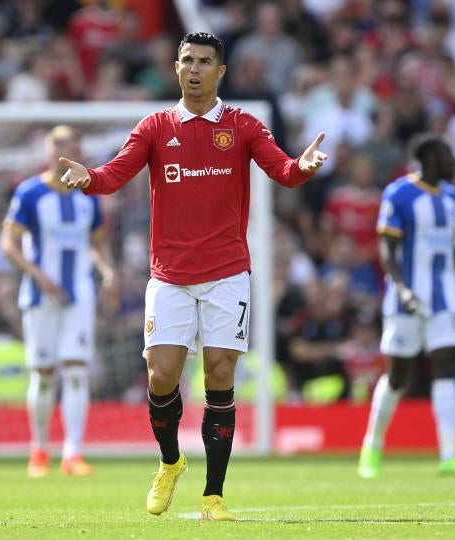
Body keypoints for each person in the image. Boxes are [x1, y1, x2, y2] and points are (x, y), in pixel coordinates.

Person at [58, 32, 327, 520]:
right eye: (187, 60)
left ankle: (214, 496)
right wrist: (89, 179)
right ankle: (170, 461)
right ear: (176, 67)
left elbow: (283, 171)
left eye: (205, 61)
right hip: (170, 276)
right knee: (161, 377)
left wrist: (303, 168)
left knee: (219, 374)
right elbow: (116, 173)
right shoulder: (156, 127)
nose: (195, 68)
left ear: (220, 71)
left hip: (226, 274)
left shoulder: (244, 125)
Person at [0, 125, 118, 478]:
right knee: (45, 374)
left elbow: (96, 244)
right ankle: (39, 451)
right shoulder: (31, 192)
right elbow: (9, 244)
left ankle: (73, 453)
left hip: (79, 295)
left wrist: (108, 271)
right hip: (40, 296)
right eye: (64, 147)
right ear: (51, 153)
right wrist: (39, 276)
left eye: (76, 147)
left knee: (77, 371)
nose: (70, 154)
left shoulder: (89, 194)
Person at [357, 134, 455, 478]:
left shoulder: (453, 197)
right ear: (429, 158)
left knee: (445, 367)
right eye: (448, 154)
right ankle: (372, 447)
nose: (453, 161)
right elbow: (387, 249)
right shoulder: (400, 194)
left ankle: (449, 455)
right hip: (407, 299)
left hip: (445, 298)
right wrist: (403, 288)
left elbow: (446, 248)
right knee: (398, 376)